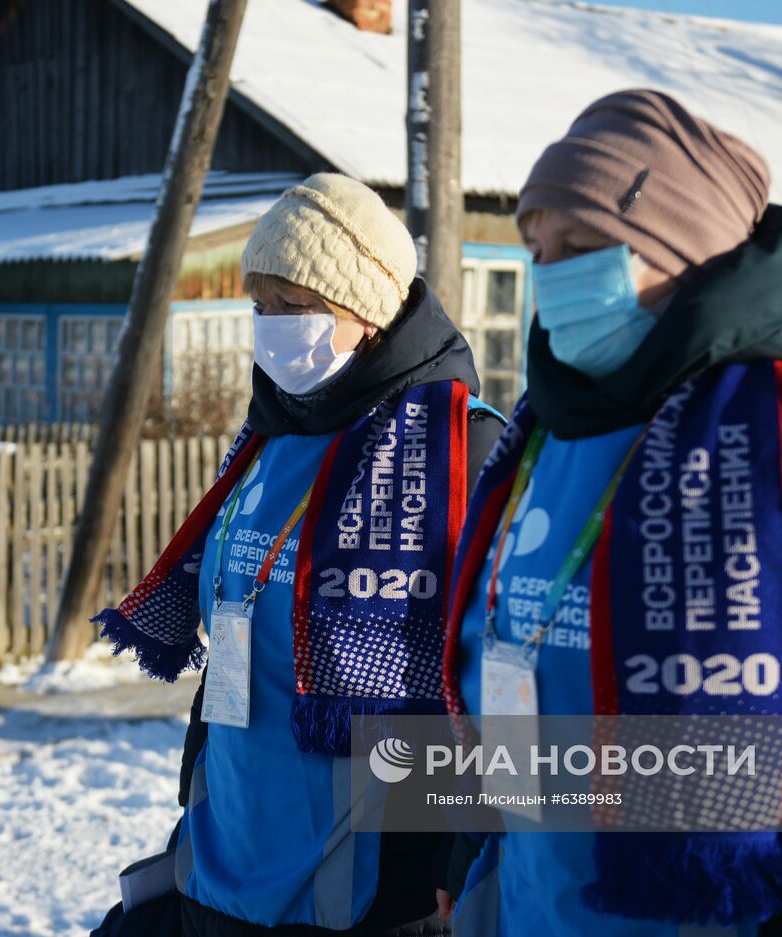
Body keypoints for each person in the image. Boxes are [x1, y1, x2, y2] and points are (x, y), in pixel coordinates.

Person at [439, 90, 782, 936]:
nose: (551, 275)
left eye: (583, 244)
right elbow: (496, 686)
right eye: (536, 248)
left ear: (686, 251)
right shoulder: (541, 437)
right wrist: (463, 866)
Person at [94, 172, 504, 936]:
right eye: (261, 306)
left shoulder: (460, 449)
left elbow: (490, 686)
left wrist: (455, 864)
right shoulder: (269, 434)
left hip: (365, 893)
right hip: (220, 862)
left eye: (298, 306)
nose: (272, 327)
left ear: (370, 311)